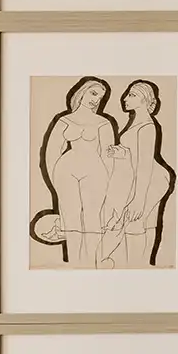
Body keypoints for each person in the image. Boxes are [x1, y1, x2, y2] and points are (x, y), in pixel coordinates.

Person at [32, 77, 120, 267]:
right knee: (70, 218)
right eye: (93, 93)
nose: (96, 100)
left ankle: (90, 264)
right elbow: (51, 153)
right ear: (82, 92)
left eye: (100, 97)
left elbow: (108, 156)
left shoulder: (103, 123)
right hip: (66, 171)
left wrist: (107, 182)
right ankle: (75, 264)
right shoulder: (64, 120)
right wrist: (56, 180)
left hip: (95, 172)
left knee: (92, 216)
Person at [114, 79, 176, 268]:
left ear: (144, 100)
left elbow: (145, 163)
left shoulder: (148, 126)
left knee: (134, 222)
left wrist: (138, 198)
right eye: (127, 93)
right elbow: (135, 154)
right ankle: (145, 266)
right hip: (145, 177)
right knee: (146, 224)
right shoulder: (135, 122)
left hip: (152, 178)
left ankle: (136, 267)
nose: (125, 98)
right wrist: (122, 153)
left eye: (132, 95)